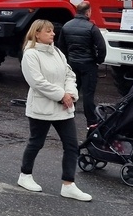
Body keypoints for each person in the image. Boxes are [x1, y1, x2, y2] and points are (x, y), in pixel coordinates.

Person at [17, 19, 91, 202]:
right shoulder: (31, 54)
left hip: (63, 107)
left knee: (72, 145)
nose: (53, 34)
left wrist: (71, 94)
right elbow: (36, 81)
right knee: (36, 142)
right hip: (42, 108)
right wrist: (61, 95)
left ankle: (69, 184)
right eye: (48, 31)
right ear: (37, 34)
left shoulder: (57, 52)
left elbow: (69, 74)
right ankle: (25, 175)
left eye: (52, 31)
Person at [56, 1, 107, 128]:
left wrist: (67, 60)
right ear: (88, 12)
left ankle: (66, 116)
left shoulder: (67, 26)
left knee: (72, 91)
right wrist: (98, 60)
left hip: (73, 63)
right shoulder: (91, 27)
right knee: (88, 95)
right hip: (88, 65)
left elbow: (61, 46)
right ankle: (91, 121)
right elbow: (101, 47)